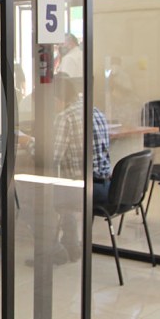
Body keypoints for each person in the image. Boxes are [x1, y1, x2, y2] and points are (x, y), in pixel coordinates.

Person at [51, 75, 111, 260]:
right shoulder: (95, 111)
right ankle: (71, 245)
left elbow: (52, 157)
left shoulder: (65, 117)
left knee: (32, 196)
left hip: (84, 189)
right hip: (107, 186)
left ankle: (55, 251)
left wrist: (27, 141)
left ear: (56, 99)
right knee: (61, 189)